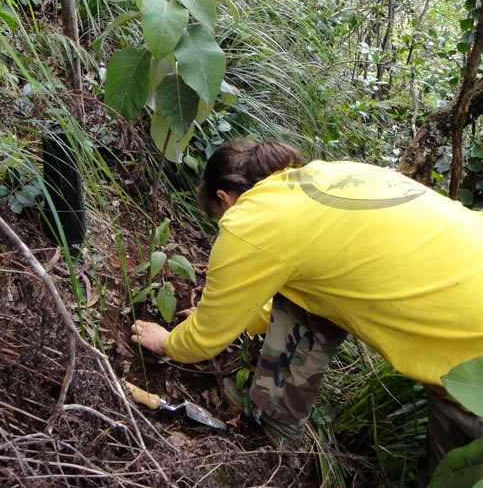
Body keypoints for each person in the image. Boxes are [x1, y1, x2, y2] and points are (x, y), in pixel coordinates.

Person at [131, 139, 483, 480]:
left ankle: (275, 450)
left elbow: (204, 342)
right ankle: (276, 430)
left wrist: (168, 342)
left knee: (455, 471)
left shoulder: (250, 222)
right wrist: (230, 316)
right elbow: (308, 284)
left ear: (223, 199)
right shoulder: (320, 178)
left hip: (470, 347)